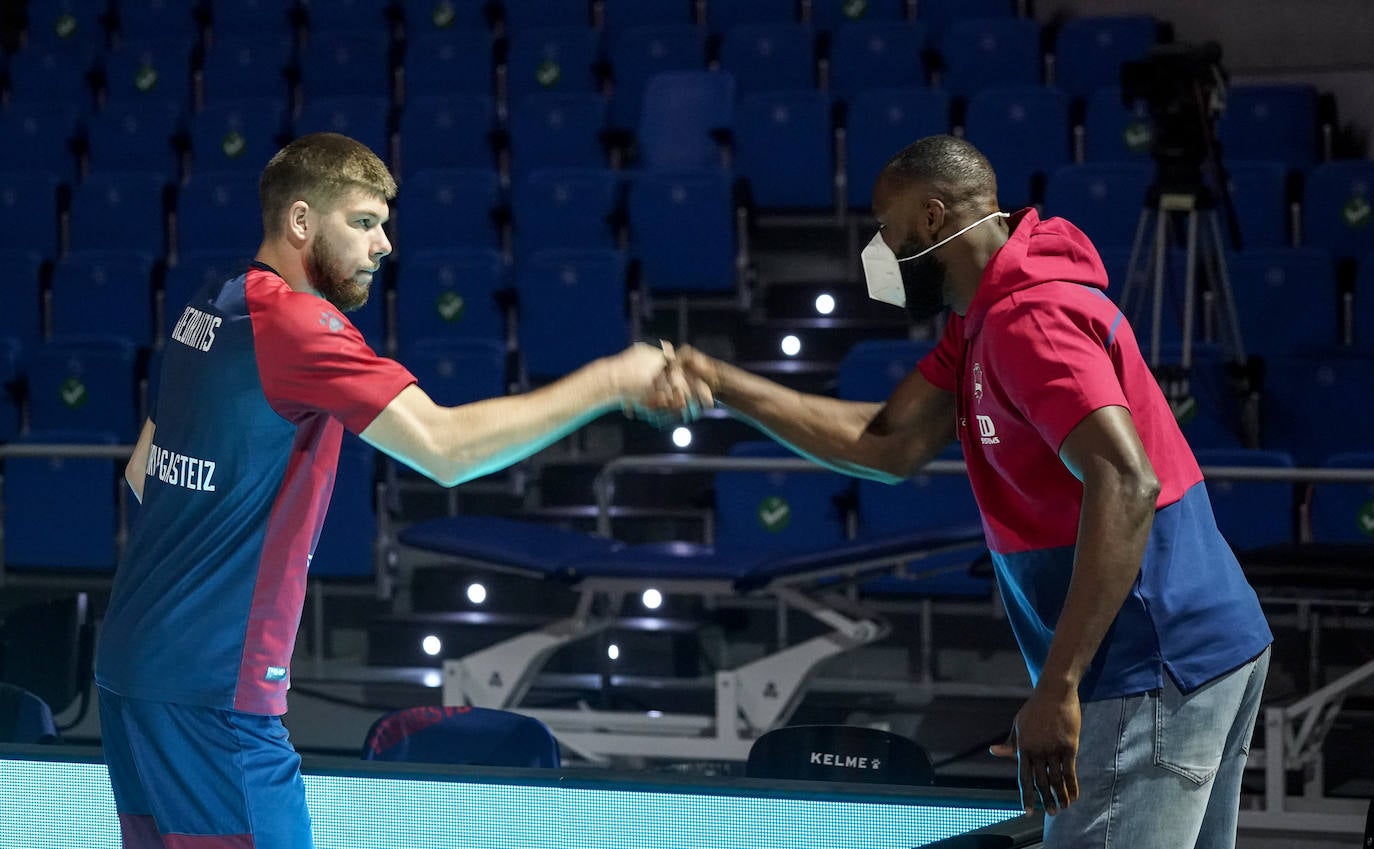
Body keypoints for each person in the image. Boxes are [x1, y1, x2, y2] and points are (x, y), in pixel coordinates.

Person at [659, 135, 1273, 849]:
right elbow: (886, 441)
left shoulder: (1028, 320)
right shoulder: (983, 319)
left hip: (1151, 657)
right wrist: (721, 385)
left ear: (932, 217)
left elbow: (1127, 479)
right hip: (1195, 646)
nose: (880, 251)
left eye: (886, 229)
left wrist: (1058, 686)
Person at [94, 133, 703, 849]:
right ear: (300, 222)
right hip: (213, 688)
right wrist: (611, 382)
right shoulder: (298, 325)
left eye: (384, 223)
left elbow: (142, 470)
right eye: (362, 222)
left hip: (131, 667)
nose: (384, 244)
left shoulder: (213, 302)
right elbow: (446, 450)